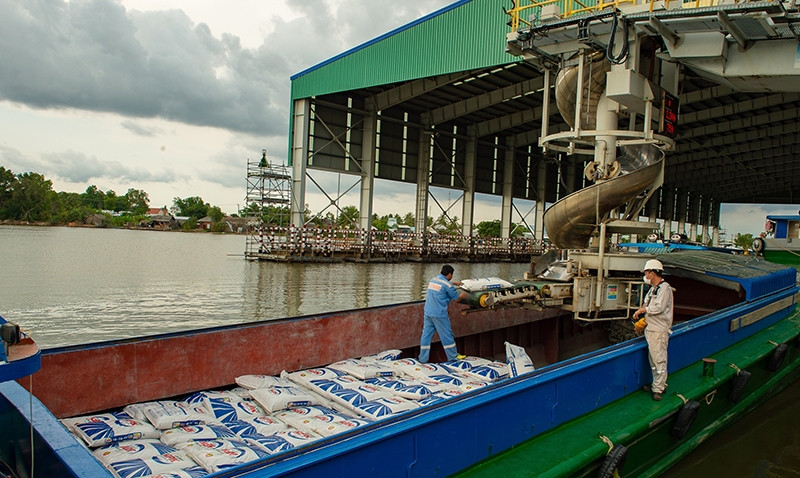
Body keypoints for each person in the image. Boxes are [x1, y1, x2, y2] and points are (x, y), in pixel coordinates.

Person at [632, 259, 674, 401]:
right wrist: (641, 320)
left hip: (659, 330)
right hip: (651, 328)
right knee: (653, 360)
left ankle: (659, 388)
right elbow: (647, 304)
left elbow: (659, 308)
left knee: (659, 359)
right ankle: (657, 384)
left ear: (653, 272)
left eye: (646, 272)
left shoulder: (664, 289)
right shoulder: (653, 289)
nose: (645, 275)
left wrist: (644, 309)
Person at [419, 265, 468, 363]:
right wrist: (463, 295)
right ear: (449, 274)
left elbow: (444, 284)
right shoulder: (449, 286)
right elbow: (456, 299)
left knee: (426, 336)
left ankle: (422, 359)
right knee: (447, 335)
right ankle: (453, 357)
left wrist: (456, 283)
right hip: (439, 314)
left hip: (428, 312)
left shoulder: (433, 280)